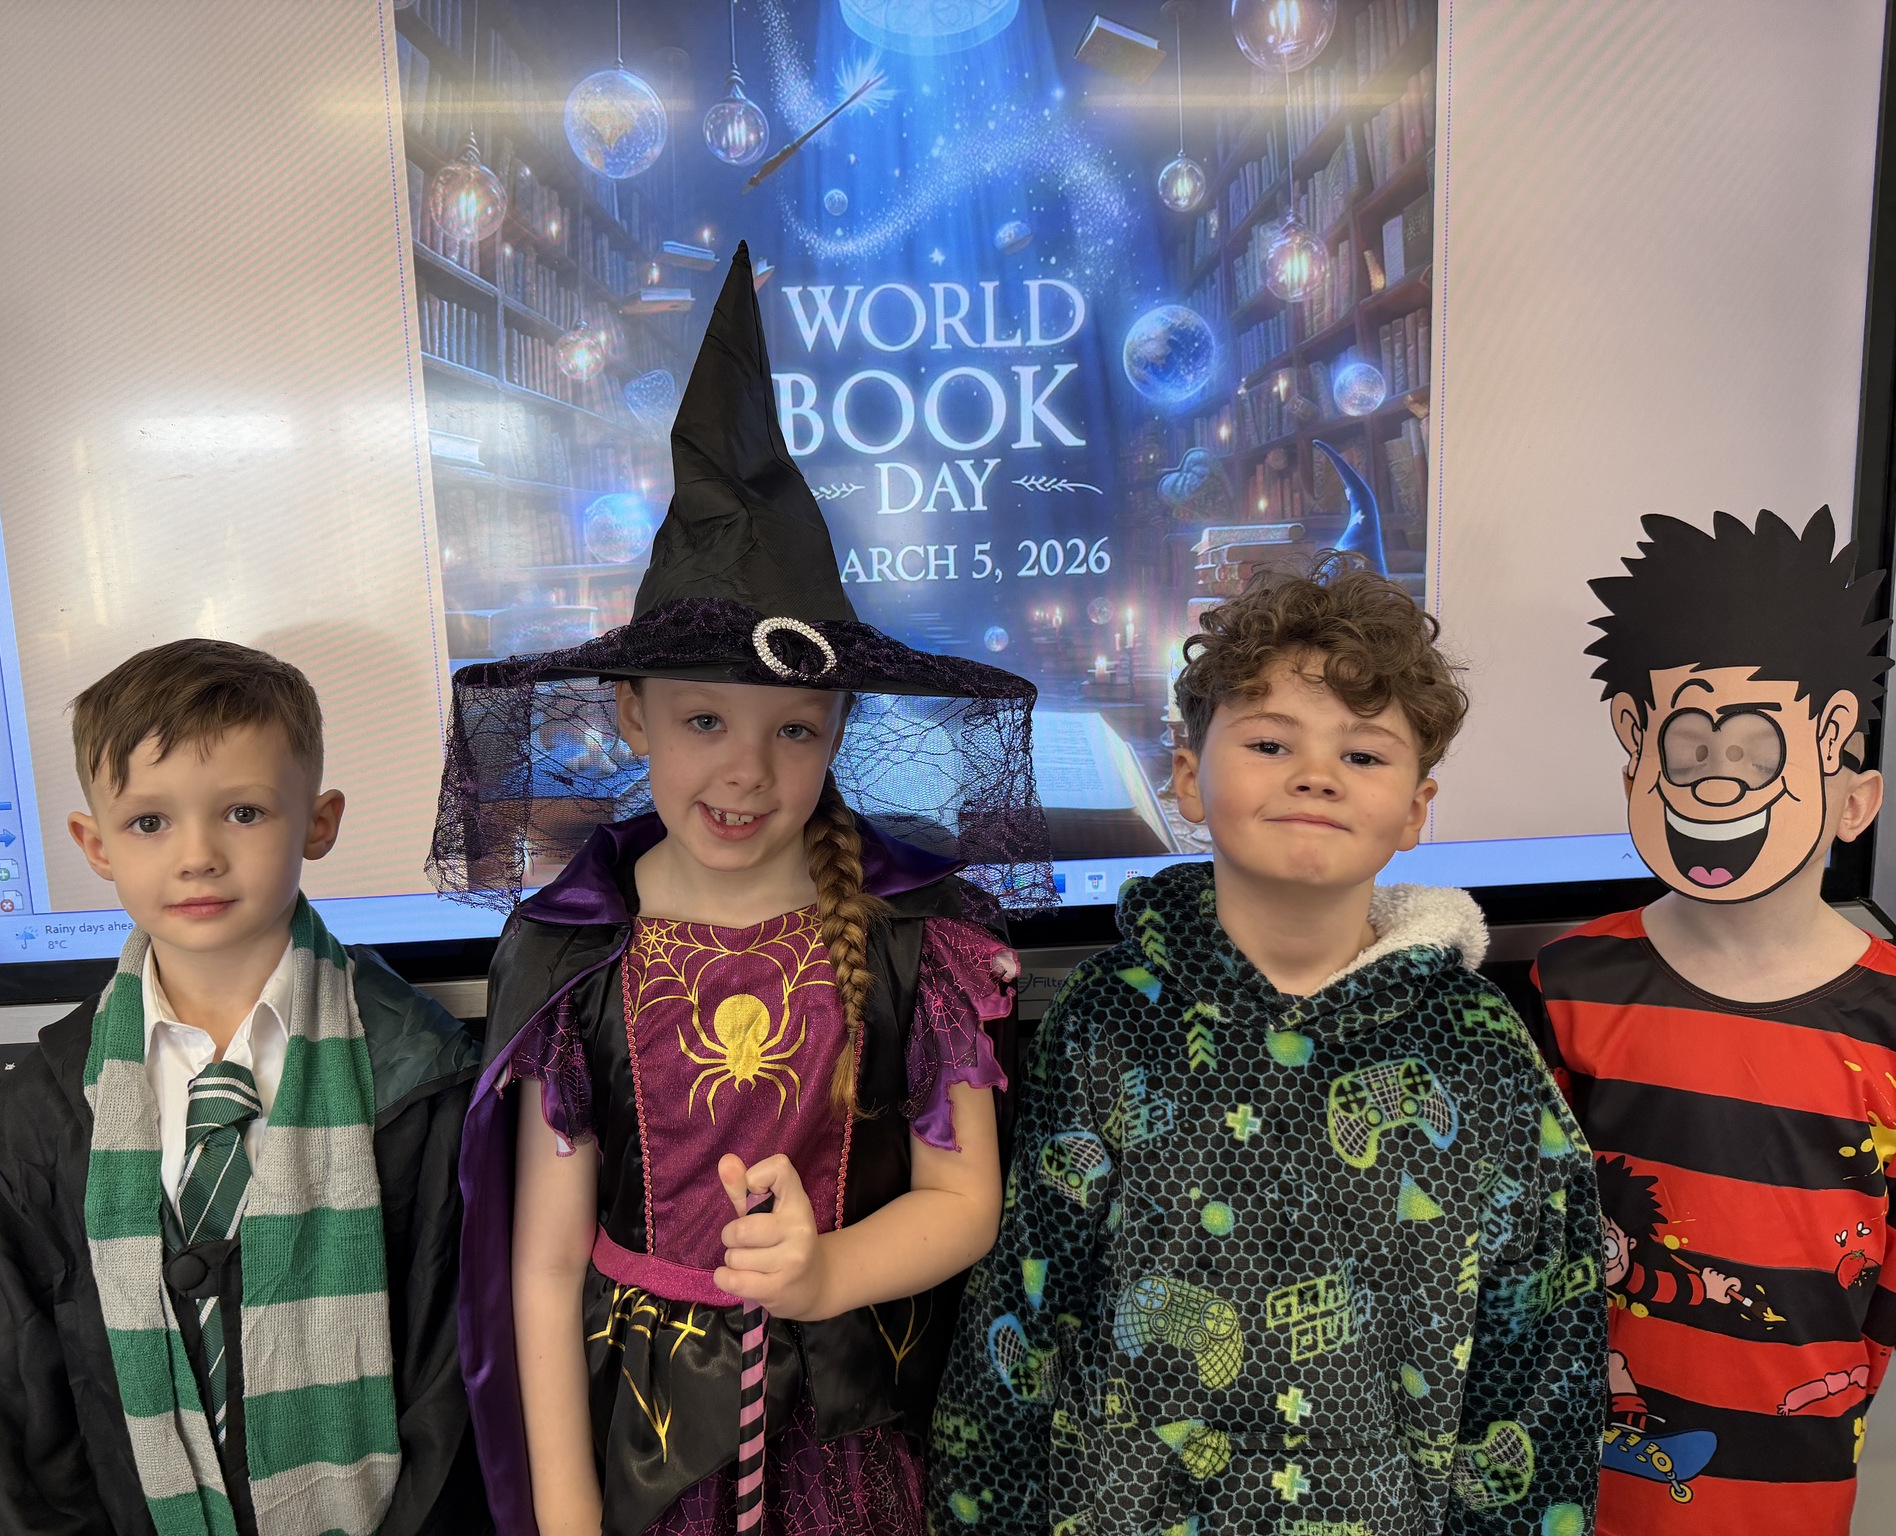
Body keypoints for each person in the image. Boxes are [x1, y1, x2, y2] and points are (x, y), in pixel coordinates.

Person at [432, 244, 1054, 1536]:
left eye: (794, 731)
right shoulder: (576, 955)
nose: (746, 773)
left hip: (844, 1457)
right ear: (630, 714)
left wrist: (825, 1273)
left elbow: (963, 1203)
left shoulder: (913, 941)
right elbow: (542, 1270)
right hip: (639, 1463)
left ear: (839, 728)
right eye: (704, 720)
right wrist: (565, 1521)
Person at [929, 558, 1606, 1535]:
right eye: (1268, 741)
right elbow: (1025, 1305)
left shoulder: (1481, 1047)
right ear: (1186, 779)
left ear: (1416, 810)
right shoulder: (1105, 1017)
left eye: (1363, 755)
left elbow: (1540, 1346)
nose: (1315, 773)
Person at [0, 639, 490, 1536]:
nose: (197, 856)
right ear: (94, 844)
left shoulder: (425, 1085)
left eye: (243, 812)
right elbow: (16, 1407)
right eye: (149, 822)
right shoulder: (38, 1117)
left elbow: (457, 1393)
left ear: (318, 823)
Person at [1532, 508, 1896, 1532]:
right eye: (1690, 749)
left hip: (1794, 1475)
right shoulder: (1571, 979)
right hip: (1581, 1469)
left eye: (1750, 747)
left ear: (1852, 797)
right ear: (1636, 761)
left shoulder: (1886, 1012)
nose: (1719, 781)